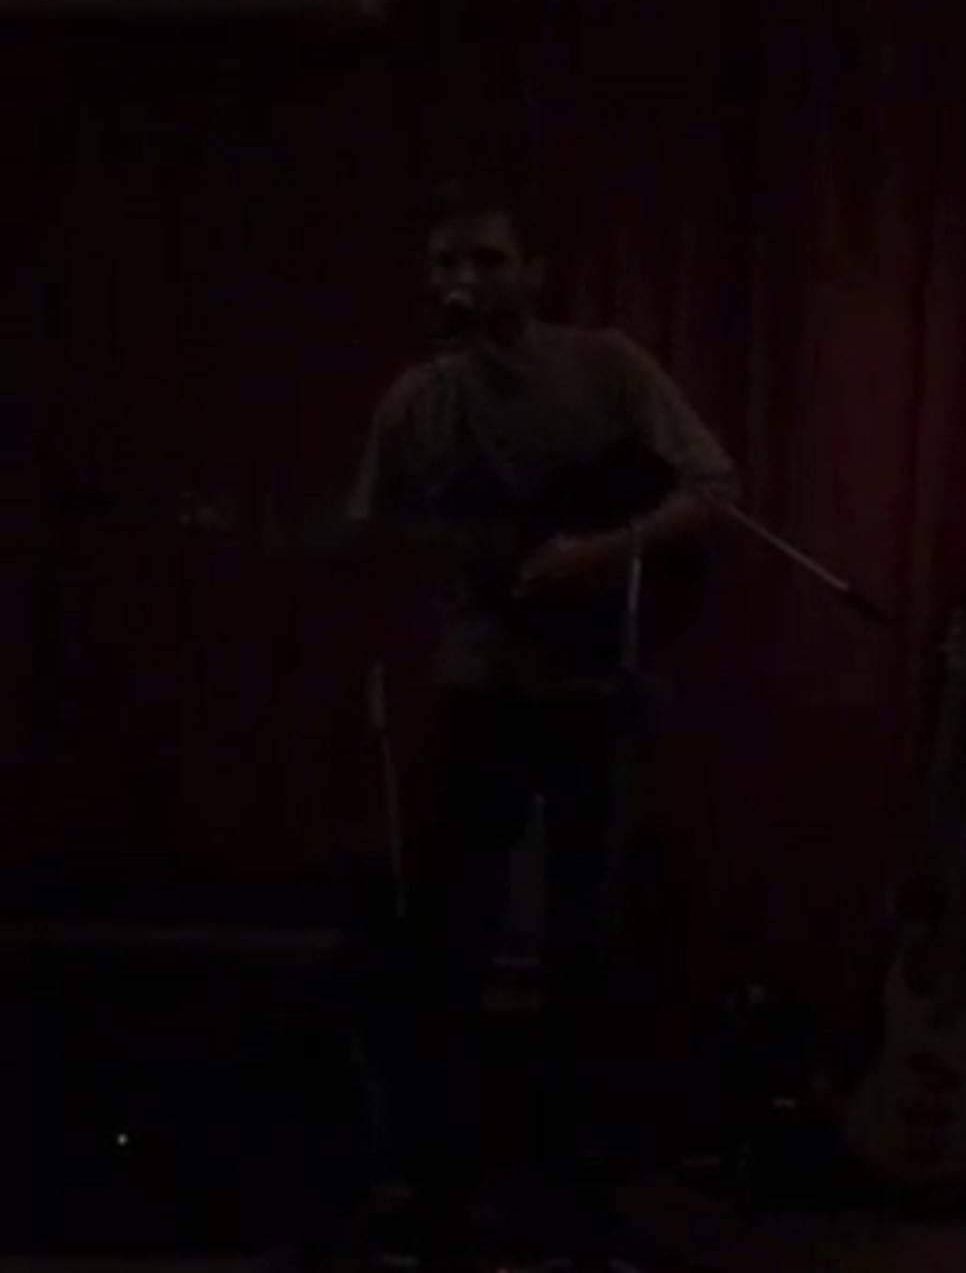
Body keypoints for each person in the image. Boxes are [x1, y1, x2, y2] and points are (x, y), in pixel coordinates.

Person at [349, 180, 736, 1268]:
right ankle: (440, 1188)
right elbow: (375, 532)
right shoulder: (416, 402)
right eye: (445, 264)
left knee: (588, 948)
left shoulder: (605, 367)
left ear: (533, 272)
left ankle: (570, 1192)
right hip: (478, 691)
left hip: (590, 696)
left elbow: (713, 483)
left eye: (484, 260)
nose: (462, 281)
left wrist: (599, 555)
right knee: (448, 943)